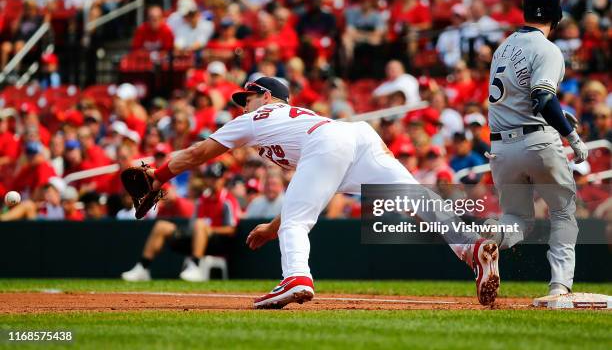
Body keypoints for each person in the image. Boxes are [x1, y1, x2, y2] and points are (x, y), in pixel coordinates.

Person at [137, 76, 500, 308]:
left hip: (329, 144)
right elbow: (309, 191)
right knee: (414, 199)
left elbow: (198, 153)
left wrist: (158, 176)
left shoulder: (256, 118)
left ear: (265, 96)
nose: (241, 104)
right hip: (355, 138)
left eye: (246, 97)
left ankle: (296, 277)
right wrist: (272, 226)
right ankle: (470, 247)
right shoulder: (298, 116)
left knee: (297, 222)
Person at [485, 0, 588, 297]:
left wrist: (553, 114)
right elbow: (543, 97)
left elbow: (522, 98)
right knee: (563, 210)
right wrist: (572, 136)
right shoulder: (547, 49)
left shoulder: (503, 47)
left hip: (501, 147)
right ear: (556, 14)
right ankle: (559, 287)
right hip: (537, 143)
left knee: (517, 219)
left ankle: (493, 236)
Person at [122, 162, 240, 282]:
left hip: (218, 243)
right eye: (210, 177)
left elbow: (232, 229)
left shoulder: (228, 200)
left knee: (199, 225)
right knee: (162, 226)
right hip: (197, 237)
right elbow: (193, 223)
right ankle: (143, 267)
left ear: (223, 179)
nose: (213, 181)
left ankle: (196, 266)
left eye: (216, 178)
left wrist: (209, 229)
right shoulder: (202, 199)